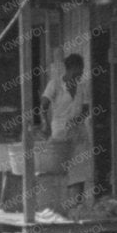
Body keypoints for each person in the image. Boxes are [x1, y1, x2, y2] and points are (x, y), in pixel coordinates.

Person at [42, 53, 91, 202]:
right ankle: (60, 201)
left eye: (81, 72)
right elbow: (43, 106)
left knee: (80, 167)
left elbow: (86, 109)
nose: (79, 75)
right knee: (61, 167)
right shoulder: (55, 84)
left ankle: (78, 202)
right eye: (76, 72)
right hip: (59, 131)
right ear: (68, 69)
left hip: (78, 131)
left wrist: (78, 120)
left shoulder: (82, 87)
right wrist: (45, 124)